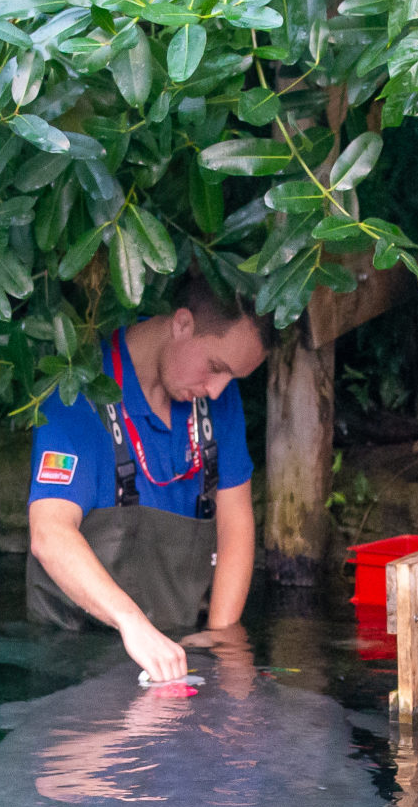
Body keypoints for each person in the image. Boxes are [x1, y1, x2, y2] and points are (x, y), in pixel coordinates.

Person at [25, 275, 271, 684]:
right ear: (181, 324)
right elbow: (49, 533)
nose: (217, 391)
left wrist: (222, 646)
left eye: (232, 379)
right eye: (215, 368)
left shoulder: (217, 399)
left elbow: (236, 526)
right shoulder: (78, 391)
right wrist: (131, 623)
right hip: (72, 656)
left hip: (175, 657)